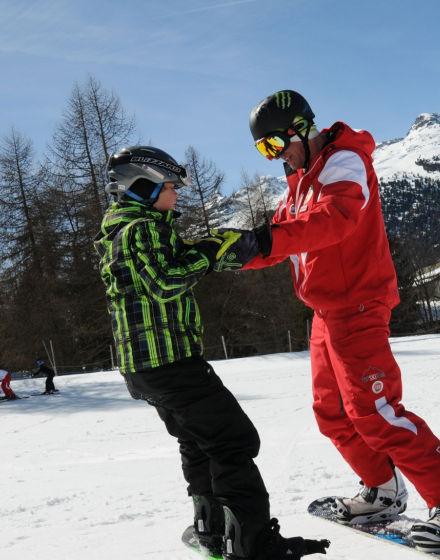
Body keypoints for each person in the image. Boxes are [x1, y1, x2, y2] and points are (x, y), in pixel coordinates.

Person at [242, 90, 440, 553]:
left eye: (275, 144)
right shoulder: (299, 182)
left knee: (376, 412)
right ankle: (383, 490)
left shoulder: (344, 162)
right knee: (332, 415)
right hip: (324, 311)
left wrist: (261, 242)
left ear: (301, 129)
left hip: (357, 304)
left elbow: (335, 219)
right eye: (264, 150)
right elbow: (277, 240)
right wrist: (223, 254)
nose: (276, 157)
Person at [95, 146, 327, 560]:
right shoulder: (140, 230)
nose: (177, 193)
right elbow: (165, 282)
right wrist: (205, 254)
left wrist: (215, 250)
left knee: (198, 441)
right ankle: (252, 542)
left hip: (147, 369)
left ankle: (212, 528)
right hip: (170, 363)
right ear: (143, 188)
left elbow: (173, 265)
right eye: (171, 187)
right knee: (232, 440)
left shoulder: (128, 232)